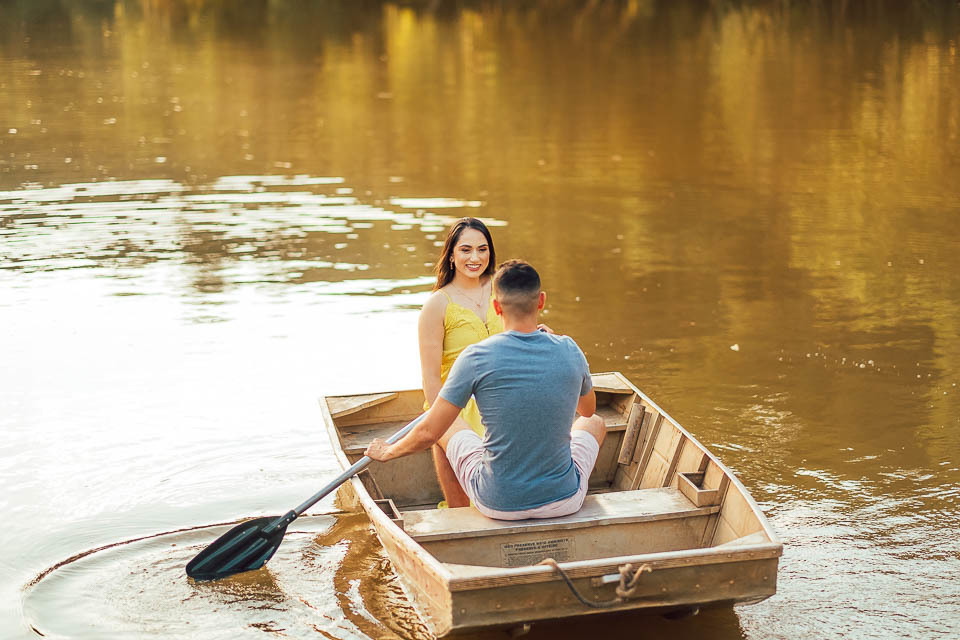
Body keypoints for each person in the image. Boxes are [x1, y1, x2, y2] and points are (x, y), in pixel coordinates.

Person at [366, 259, 605, 520]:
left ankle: (458, 518)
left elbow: (428, 431)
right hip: (565, 501)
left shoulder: (476, 357)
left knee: (449, 425)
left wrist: (389, 451)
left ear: (496, 306)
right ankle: (556, 486)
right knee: (596, 423)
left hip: (497, 503)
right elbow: (587, 410)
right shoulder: (569, 348)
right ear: (541, 301)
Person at [418, 217, 503, 508]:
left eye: (482, 249)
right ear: (451, 255)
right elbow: (431, 379)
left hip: (505, 395)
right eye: (465, 250)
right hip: (457, 402)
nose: (475, 257)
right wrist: (445, 420)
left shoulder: (502, 289)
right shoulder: (437, 304)